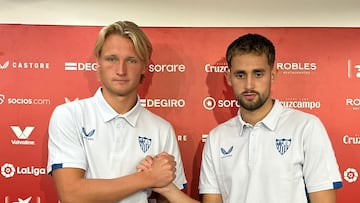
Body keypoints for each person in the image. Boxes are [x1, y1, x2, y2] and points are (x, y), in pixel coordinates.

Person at [138, 33, 343, 203]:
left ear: (273, 75)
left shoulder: (306, 127)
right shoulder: (217, 138)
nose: (249, 85)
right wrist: (168, 189)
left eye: (258, 74)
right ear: (228, 78)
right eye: (240, 75)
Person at [47, 20, 187, 203]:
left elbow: (169, 197)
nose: (121, 70)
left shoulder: (161, 129)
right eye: (111, 59)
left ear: (144, 67)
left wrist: (160, 181)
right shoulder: (69, 115)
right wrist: (148, 177)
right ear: (98, 62)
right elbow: (72, 194)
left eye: (131, 60)